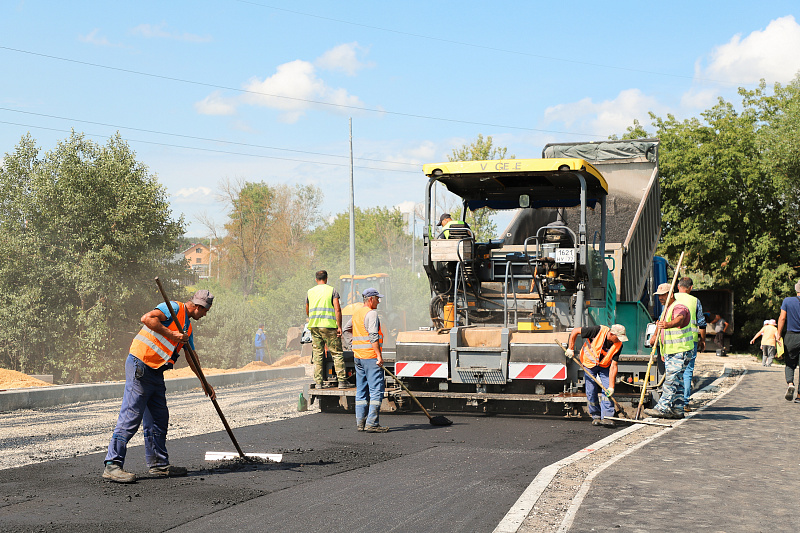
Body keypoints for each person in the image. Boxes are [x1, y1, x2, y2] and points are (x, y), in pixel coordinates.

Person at [102, 289, 215, 484]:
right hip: (140, 364)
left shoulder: (187, 328)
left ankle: (158, 465)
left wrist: (204, 382)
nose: (205, 315)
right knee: (131, 414)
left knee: (158, 416)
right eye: (205, 311)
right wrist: (172, 333)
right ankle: (112, 464)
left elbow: (191, 356)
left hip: (155, 371)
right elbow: (147, 318)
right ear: (198, 306)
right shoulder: (171, 308)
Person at [644, 283, 694, 419]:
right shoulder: (666, 309)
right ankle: (678, 409)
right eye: (659, 295)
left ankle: (662, 407)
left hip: (681, 350)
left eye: (663, 295)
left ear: (670, 294)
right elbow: (660, 326)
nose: (660, 298)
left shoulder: (679, 307)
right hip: (671, 351)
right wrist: (655, 338)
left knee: (671, 380)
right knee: (677, 381)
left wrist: (668, 324)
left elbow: (680, 319)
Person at [565, 324, 628, 428]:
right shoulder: (597, 330)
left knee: (607, 390)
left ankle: (608, 417)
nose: (619, 340)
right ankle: (596, 416)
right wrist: (570, 348)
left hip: (604, 366)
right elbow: (575, 331)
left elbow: (614, 366)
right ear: (611, 334)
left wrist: (611, 387)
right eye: (618, 337)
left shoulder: (618, 345)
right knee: (591, 391)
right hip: (589, 364)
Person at [344, 288, 389, 433]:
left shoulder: (357, 313)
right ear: (370, 299)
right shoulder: (372, 314)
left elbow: (346, 330)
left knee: (361, 390)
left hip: (358, 357)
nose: (379, 301)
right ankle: (372, 423)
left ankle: (360, 423)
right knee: (376, 391)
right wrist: (379, 356)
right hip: (370, 357)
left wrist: (353, 346)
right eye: (377, 298)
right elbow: (373, 336)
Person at [306, 270, 347, 389]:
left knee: (318, 355)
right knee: (337, 354)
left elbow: (307, 309)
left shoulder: (310, 292)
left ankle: (318, 383)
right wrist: (339, 326)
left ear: (316, 279)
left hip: (315, 327)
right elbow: (337, 309)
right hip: (329, 326)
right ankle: (342, 382)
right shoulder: (332, 290)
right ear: (326, 278)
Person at [675, 277, 706, 411]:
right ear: (691, 288)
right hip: (690, 341)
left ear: (678, 286)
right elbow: (702, 323)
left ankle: (672, 401)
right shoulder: (695, 301)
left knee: (673, 370)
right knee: (687, 372)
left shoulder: (671, 297)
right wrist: (702, 340)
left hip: (672, 340)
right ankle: (685, 403)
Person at [777, 280, 800, 401]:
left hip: (791, 335)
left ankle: (790, 384)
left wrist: (778, 334)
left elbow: (782, 318)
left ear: (796, 289)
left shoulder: (787, 301)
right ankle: (799, 396)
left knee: (790, 363)